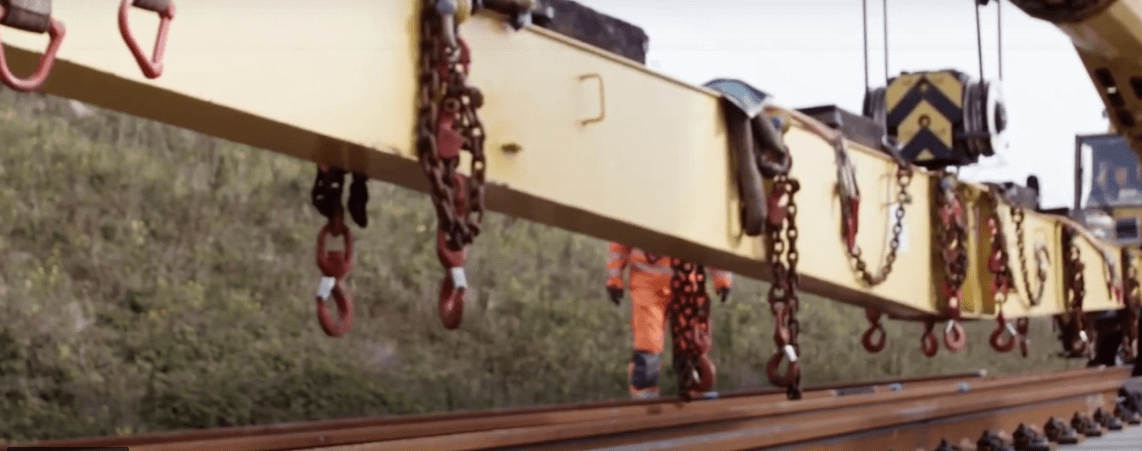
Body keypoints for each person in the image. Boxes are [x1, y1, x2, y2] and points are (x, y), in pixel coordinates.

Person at [605, 242, 731, 399]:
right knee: (648, 347)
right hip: (647, 285)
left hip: (686, 283)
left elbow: (709, 238)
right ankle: (645, 398)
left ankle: (697, 390)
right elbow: (621, 240)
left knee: (692, 344)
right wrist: (614, 277)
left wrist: (722, 279)